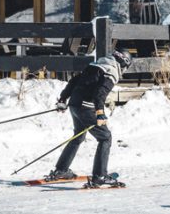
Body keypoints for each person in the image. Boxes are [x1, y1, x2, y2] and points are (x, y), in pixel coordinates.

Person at [45, 49, 132, 188]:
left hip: (75, 104)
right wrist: (99, 112)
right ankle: (100, 176)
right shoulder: (112, 71)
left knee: (78, 137)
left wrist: (63, 99)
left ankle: (61, 170)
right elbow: (100, 93)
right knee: (105, 137)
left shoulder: (96, 65)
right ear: (123, 62)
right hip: (86, 107)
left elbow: (74, 81)